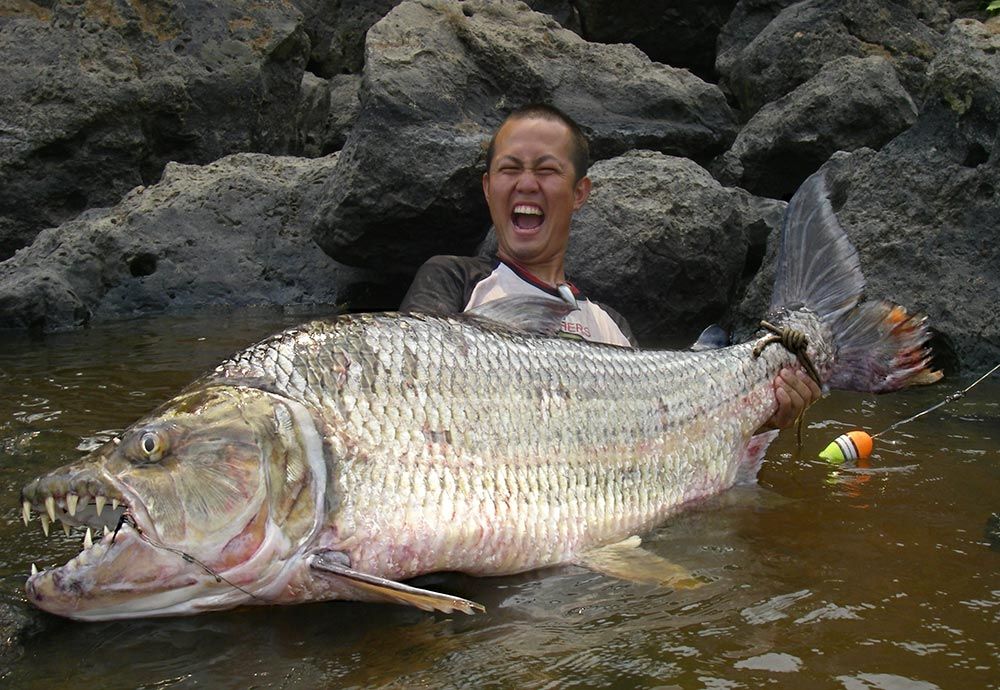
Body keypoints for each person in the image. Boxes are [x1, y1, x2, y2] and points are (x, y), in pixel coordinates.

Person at [400, 103, 820, 431]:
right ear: (489, 187)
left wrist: (762, 416)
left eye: (546, 170)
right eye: (509, 169)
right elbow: (413, 396)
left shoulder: (608, 324)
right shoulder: (453, 281)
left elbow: (665, 431)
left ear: (579, 192)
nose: (526, 183)